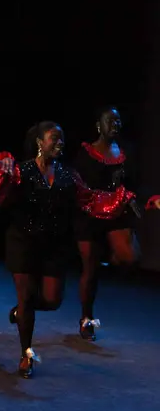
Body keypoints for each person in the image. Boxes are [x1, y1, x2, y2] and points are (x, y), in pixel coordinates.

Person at [0, 121, 135, 378]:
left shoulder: (68, 175)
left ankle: (20, 311)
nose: (60, 143)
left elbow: (90, 199)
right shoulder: (22, 171)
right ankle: (26, 354)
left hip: (54, 246)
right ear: (40, 142)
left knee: (52, 300)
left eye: (62, 139)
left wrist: (121, 198)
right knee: (27, 297)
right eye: (54, 138)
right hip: (23, 242)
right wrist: (2, 164)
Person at [74, 106, 160, 340]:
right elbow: (81, 187)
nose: (115, 124)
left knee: (131, 257)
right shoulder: (86, 153)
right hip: (90, 215)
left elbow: (132, 183)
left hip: (116, 212)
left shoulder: (125, 152)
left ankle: (108, 260)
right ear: (98, 126)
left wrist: (141, 199)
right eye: (110, 120)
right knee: (89, 272)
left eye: (118, 120)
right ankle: (86, 319)